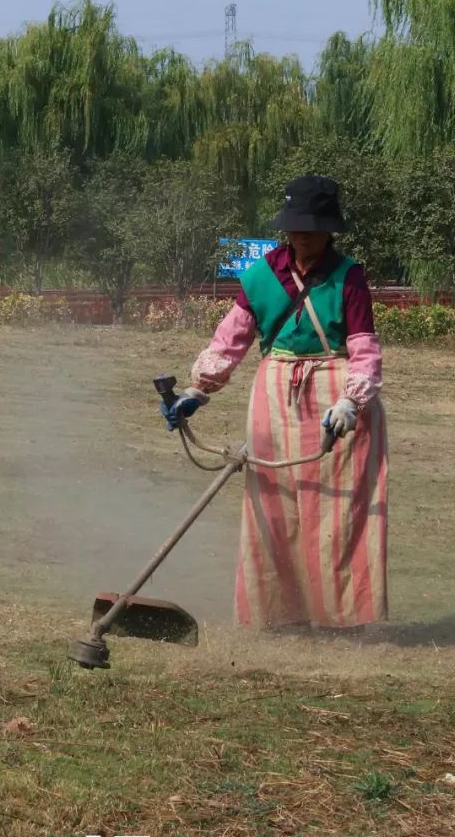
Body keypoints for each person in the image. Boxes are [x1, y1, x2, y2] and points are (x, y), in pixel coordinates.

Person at [161, 174, 387, 631]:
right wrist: (197, 391)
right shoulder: (261, 276)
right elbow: (231, 340)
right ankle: (281, 616)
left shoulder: (349, 276)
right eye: (294, 226)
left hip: (336, 400)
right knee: (275, 504)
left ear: (329, 229)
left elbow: (364, 348)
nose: (301, 235)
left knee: (339, 510)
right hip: (275, 398)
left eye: (310, 226)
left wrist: (351, 401)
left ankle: (343, 618)